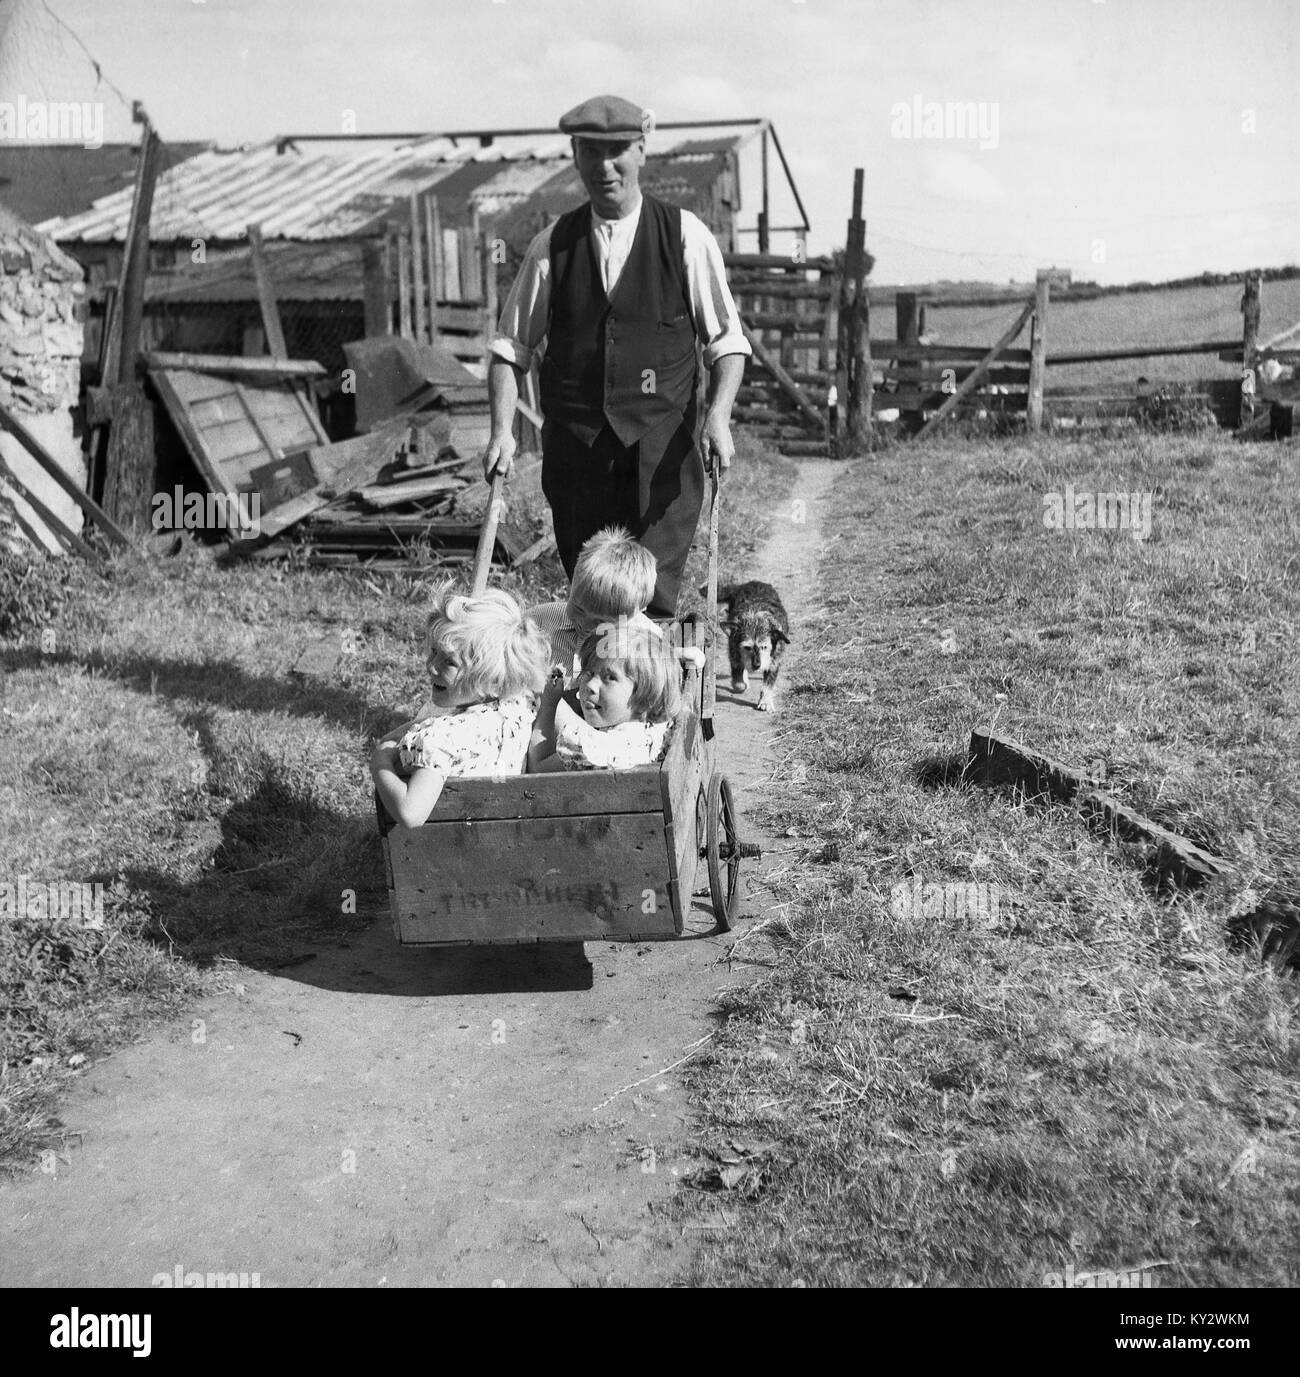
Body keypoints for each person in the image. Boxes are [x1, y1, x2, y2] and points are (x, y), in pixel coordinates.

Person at [484, 94, 750, 619]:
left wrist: (718, 414)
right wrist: (500, 430)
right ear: (576, 156)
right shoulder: (551, 247)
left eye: (617, 151)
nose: (605, 167)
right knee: (592, 600)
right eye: (590, 152)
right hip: (578, 459)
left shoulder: (685, 237)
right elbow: (509, 350)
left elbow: (726, 343)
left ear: (641, 151)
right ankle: (594, 698)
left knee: (650, 599)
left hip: (661, 459)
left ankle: (650, 695)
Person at [370, 584, 551, 828]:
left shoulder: (440, 741)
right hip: (514, 826)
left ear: (488, 679)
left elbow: (411, 813)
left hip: (454, 844)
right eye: (433, 652)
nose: (432, 666)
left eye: (448, 662)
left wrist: (380, 763)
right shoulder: (521, 702)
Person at [528, 621, 681, 773]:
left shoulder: (597, 750)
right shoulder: (656, 732)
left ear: (644, 699)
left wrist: (549, 705)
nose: (590, 685)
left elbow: (538, 769)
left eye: (610, 677)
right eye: (589, 672)